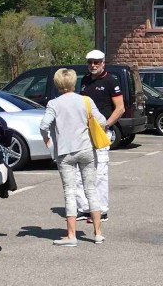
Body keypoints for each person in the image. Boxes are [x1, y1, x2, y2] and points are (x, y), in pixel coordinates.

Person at [41, 68, 106, 246]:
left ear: (57, 84)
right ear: (73, 83)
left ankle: (71, 235)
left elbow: (44, 125)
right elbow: (102, 121)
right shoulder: (86, 100)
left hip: (65, 152)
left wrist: (47, 140)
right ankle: (98, 233)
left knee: (69, 192)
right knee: (91, 189)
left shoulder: (54, 103)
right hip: (86, 149)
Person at [74, 50, 124, 221]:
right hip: (84, 132)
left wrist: (107, 124)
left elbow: (120, 108)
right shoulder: (85, 80)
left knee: (100, 172)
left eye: (96, 62)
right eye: (90, 62)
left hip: (101, 132)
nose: (93, 65)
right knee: (80, 171)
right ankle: (85, 208)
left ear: (103, 63)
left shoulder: (110, 81)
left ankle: (101, 211)